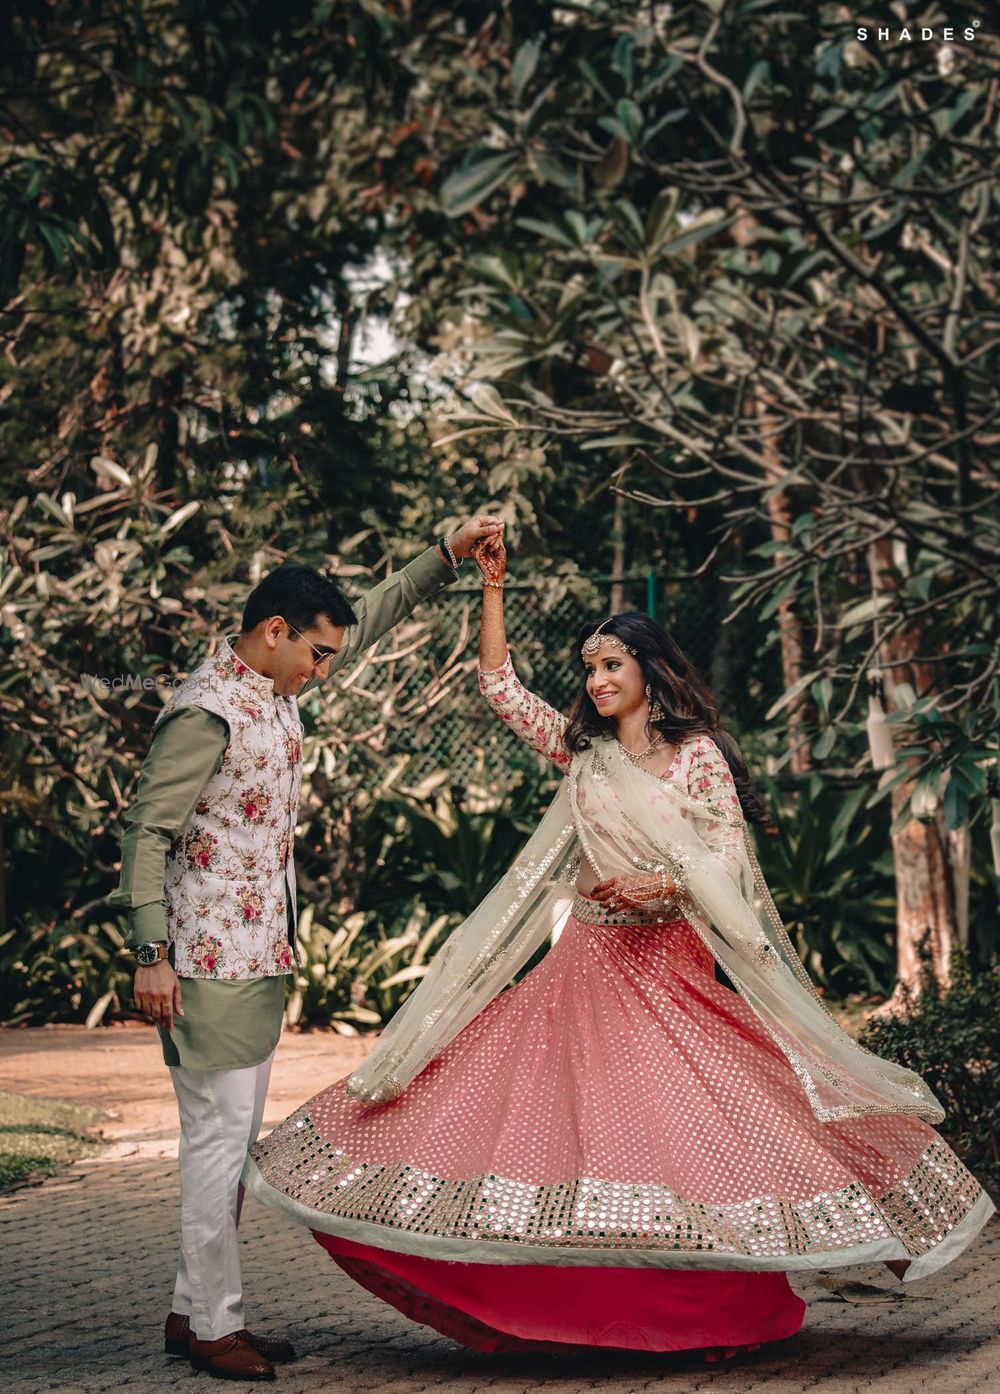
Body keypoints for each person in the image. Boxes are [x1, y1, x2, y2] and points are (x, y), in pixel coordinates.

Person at [241, 533, 994, 1362]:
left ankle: (703, 1315)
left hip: (670, 973)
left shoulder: (696, 757)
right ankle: (556, 1311)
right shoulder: (585, 753)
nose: (597, 684)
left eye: (612, 668)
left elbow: (728, 863)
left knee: (693, 1143)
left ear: (649, 672)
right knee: (546, 1131)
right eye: (590, 670)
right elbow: (500, 687)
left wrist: (664, 886)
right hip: (584, 972)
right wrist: (492, 590)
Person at [106, 517, 503, 1382]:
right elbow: (145, 831)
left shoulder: (273, 687)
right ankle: (216, 1325)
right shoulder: (208, 710)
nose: (326, 670)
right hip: (204, 965)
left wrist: (447, 556)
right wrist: (150, 952)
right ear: (275, 631)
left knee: (231, 1145)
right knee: (216, 1148)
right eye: (317, 655)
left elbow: (372, 611)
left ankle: (191, 1311)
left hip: (254, 959)